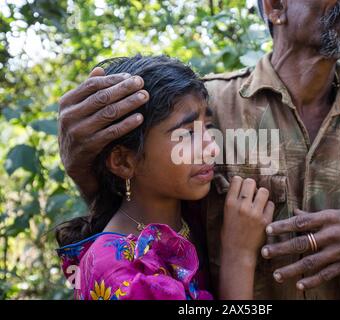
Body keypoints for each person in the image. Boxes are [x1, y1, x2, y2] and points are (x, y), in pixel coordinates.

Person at [57, 0, 340, 299]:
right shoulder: (205, 104)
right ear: (275, 7)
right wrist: (81, 163)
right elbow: (136, 205)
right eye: (191, 133)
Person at [56, 55, 274, 300]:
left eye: (208, 126)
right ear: (124, 162)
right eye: (187, 134)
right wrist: (238, 255)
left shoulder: (188, 219)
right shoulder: (119, 275)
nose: (212, 147)